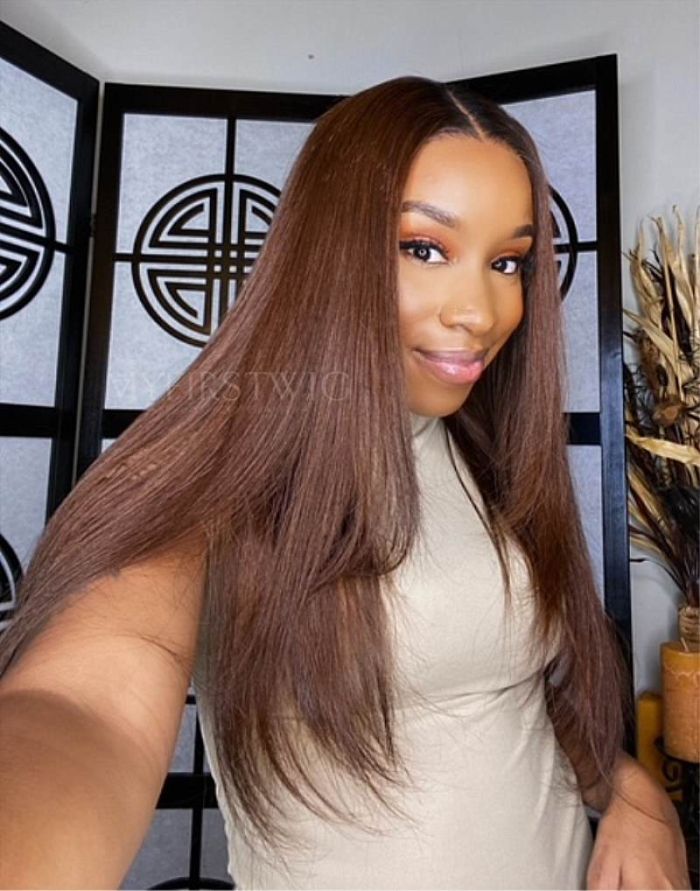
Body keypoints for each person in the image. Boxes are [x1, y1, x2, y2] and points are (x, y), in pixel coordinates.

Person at [0, 75, 689, 891]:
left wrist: (636, 797)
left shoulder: (487, 454)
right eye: (424, 248)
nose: (481, 311)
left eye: (508, 261)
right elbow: (89, 708)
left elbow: (520, 695)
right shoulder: (220, 476)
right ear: (325, 249)